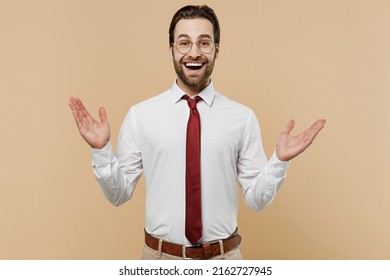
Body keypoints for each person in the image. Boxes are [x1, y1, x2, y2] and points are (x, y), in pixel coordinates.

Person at [68, 5, 325, 260]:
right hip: (160, 261)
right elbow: (118, 195)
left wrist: (279, 161)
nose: (194, 53)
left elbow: (257, 200)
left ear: (216, 50)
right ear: (171, 50)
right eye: (184, 43)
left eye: (204, 43)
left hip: (224, 261)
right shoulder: (140, 116)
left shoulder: (242, 118)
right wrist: (101, 151)